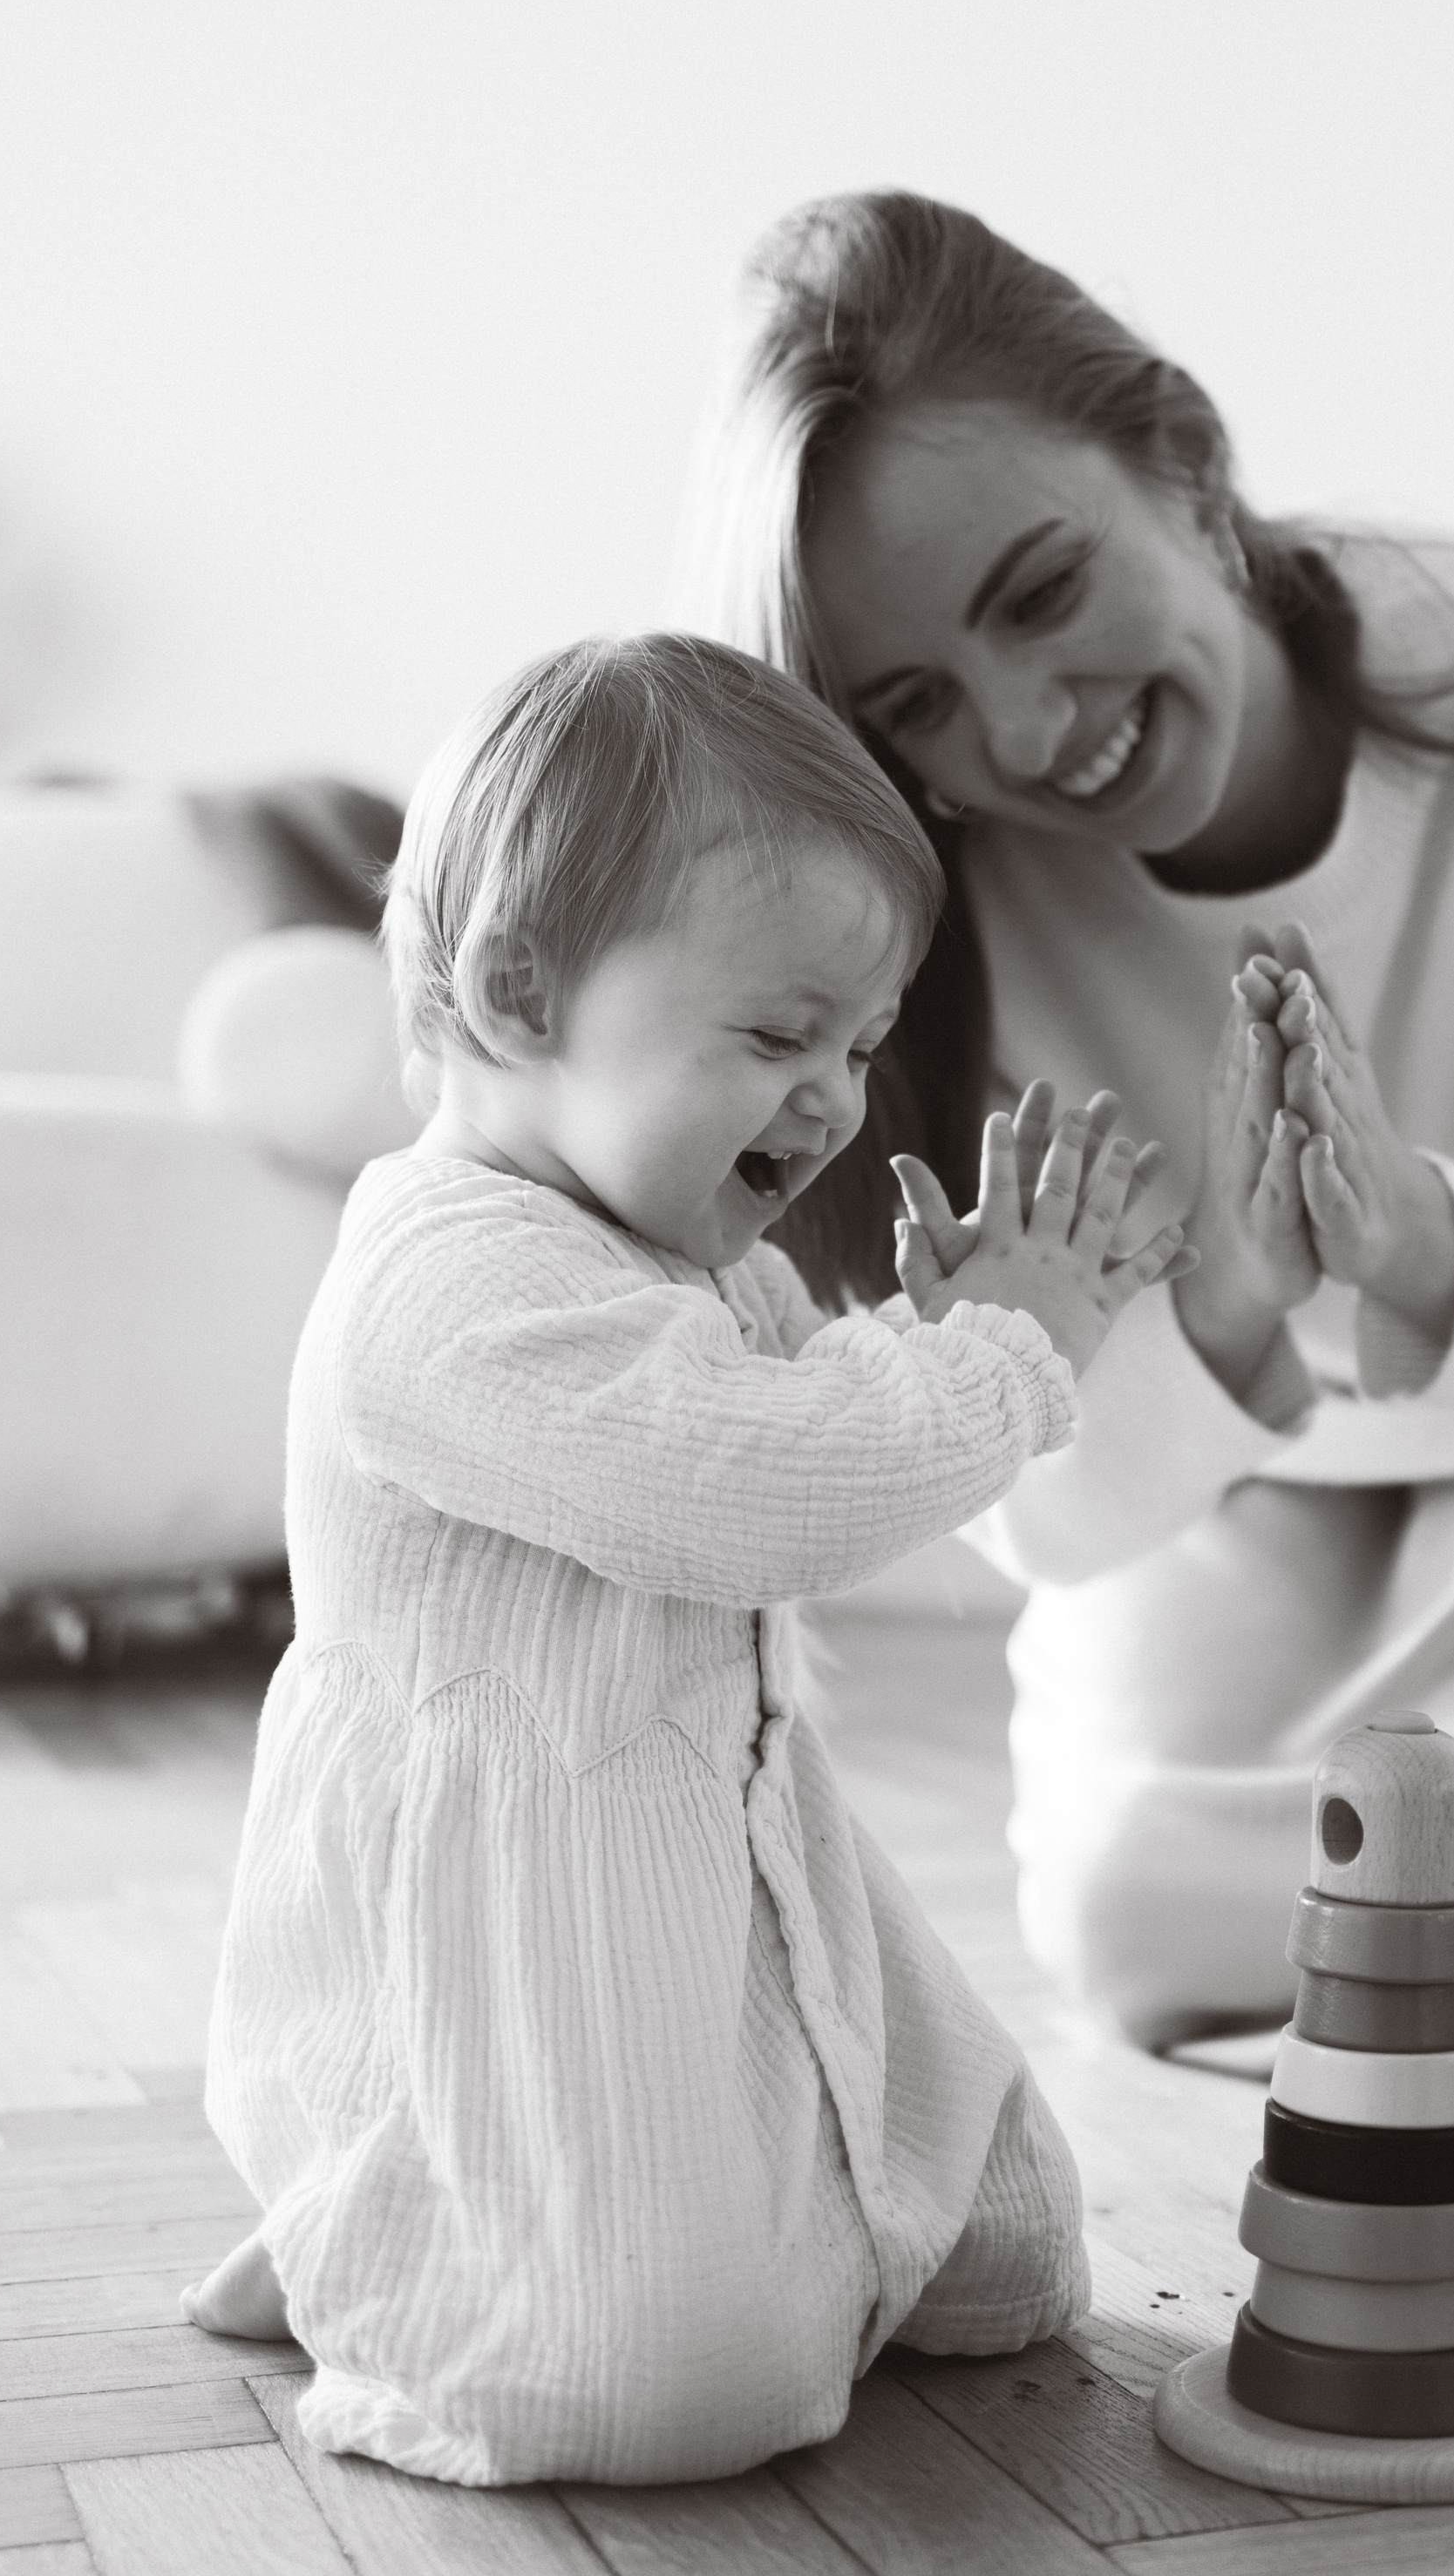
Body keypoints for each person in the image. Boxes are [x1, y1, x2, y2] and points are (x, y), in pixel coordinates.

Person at [675, 192, 1454, 2095]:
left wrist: (1409, 1235)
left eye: (1042, 592)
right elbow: (1042, 1499)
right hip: (1225, 1464)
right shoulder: (919, 891)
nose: (1028, 734)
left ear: (1191, 474)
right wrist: (1227, 1292)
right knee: (1152, 1938)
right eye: (916, 707)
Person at [183, 634, 1190, 2486]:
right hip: (525, 1918)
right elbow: (761, 1489)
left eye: (860, 1044)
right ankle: (399, 2230)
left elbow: (818, 1417)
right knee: (663, 2396)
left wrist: (927, 1333)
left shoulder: (677, 1246)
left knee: (1017, 2251)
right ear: (519, 989)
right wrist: (1002, 1354)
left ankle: (548, 2224)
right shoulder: (447, 1286)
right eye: (776, 1032)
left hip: (718, 1865)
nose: (827, 1099)